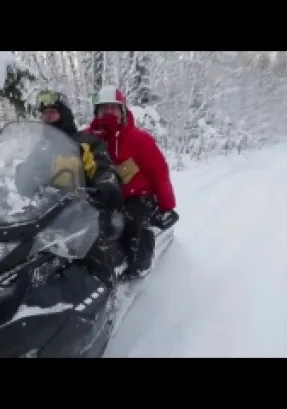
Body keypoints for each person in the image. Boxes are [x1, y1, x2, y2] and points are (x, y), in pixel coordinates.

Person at [15, 90, 123, 287]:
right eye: (44, 114)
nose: (48, 118)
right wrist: (21, 175)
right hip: (47, 210)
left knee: (93, 249)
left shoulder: (85, 143)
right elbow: (30, 177)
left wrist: (105, 182)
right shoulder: (42, 148)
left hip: (86, 207)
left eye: (52, 113)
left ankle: (106, 287)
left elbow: (102, 167)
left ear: (63, 114)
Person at [85, 85, 178, 281]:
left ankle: (138, 263)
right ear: (96, 112)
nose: (108, 112)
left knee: (132, 223)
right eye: (104, 108)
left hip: (135, 197)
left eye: (113, 107)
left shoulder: (139, 140)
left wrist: (167, 206)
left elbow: (159, 173)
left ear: (123, 111)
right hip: (98, 195)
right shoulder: (87, 138)